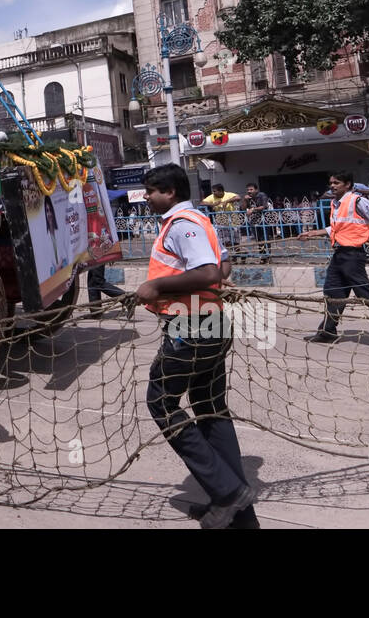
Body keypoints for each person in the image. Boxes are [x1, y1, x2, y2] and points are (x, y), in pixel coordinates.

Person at [132, 163, 257, 530]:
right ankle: (240, 515)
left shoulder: (182, 224)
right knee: (210, 409)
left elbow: (209, 272)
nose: (147, 198)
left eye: (151, 192)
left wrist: (157, 287)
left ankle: (227, 492)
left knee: (161, 403)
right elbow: (226, 265)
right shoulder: (201, 220)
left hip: (194, 327)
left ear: (169, 192)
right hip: (210, 323)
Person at [298, 171, 369, 351]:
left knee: (366, 295)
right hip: (340, 254)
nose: (332, 186)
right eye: (331, 182)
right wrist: (314, 233)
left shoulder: (358, 201)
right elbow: (341, 227)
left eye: (336, 182)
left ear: (348, 184)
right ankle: (328, 331)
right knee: (332, 292)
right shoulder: (336, 203)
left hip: (353, 255)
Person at [242, 183, 270, 262]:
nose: (249, 191)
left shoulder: (261, 195)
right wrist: (244, 200)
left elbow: (264, 206)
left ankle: (267, 256)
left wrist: (253, 209)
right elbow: (243, 208)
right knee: (258, 239)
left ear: (256, 190)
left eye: (251, 189)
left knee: (265, 238)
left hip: (264, 220)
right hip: (254, 221)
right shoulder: (248, 198)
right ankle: (263, 256)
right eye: (248, 190)